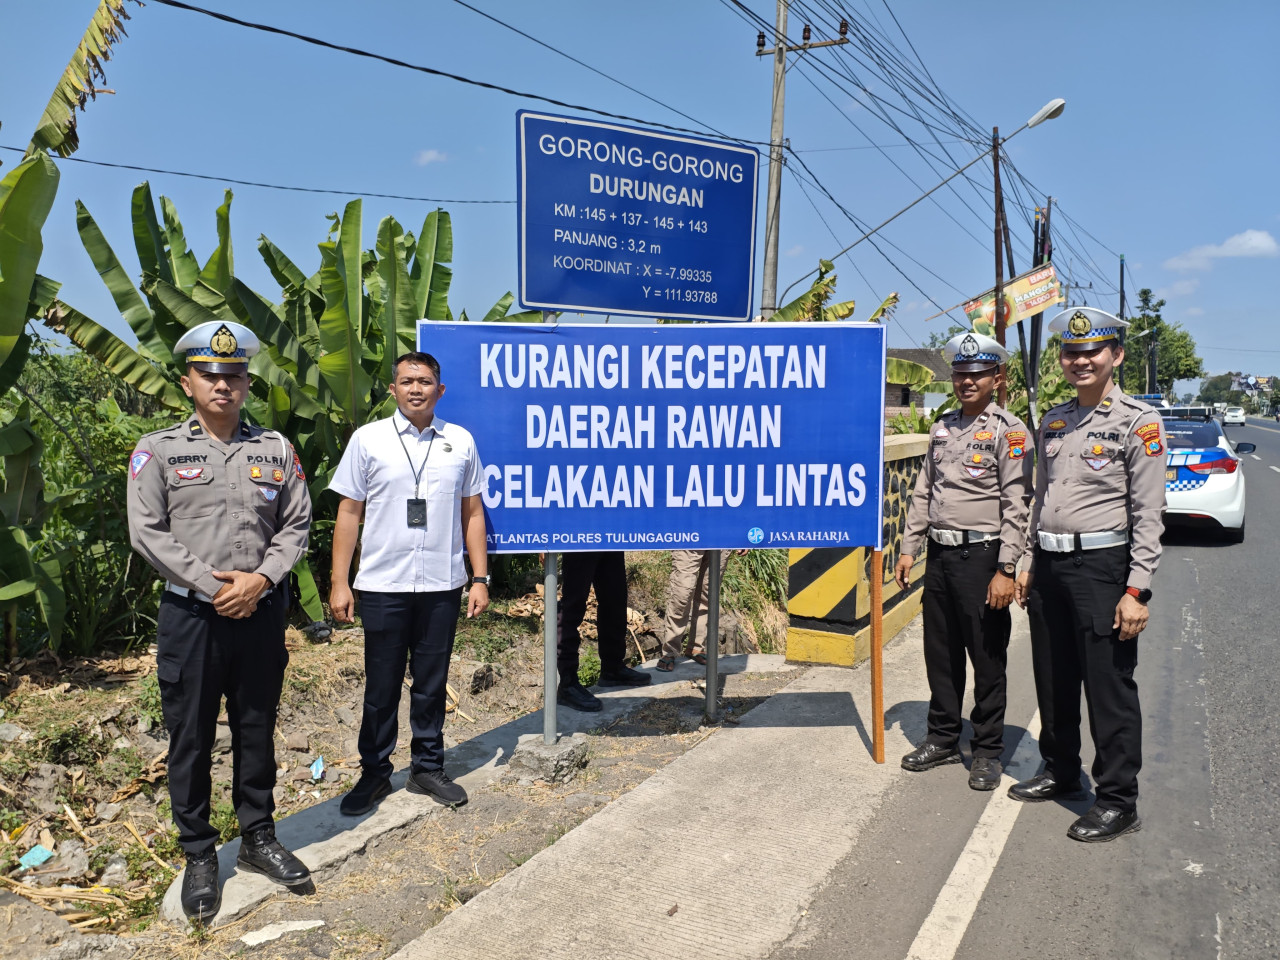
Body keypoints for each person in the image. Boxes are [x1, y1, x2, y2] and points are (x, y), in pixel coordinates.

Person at [127, 321, 313, 921]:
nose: (223, 386)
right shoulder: (157, 450)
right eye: (210, 375)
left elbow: (296, 524)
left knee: (257, 726)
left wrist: (259, 581)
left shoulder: (276, 450)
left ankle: (258, 838)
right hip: (191, 615)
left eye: (233, 376)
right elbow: (147, 531)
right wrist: (215, 587)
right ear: (188, 382)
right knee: (193, 734)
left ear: (247, 383)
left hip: (260, 610)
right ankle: (200, 853)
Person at [1010, 307, 1165, 842]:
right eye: (1071, 352)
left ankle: (1118, 800)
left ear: (1115, 356)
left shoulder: (1137, 422)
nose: (1079, 360)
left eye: (1091, 351)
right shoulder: (1053, 421)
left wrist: (1136, 589)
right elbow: (1039, 501)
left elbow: (1148, 514)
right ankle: (1060, 770)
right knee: (1053, 679)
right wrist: (1028, 561)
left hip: (1103, 569)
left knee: (1108, 687)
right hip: (1050, 566)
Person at [329, 351, 489, 817]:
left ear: (440, 390)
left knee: (432, 682)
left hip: (442, 583)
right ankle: (375, 774)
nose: (415, 388)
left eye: (424, 381)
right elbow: (349, 513)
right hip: (383, 584)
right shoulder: (368, 440)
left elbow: (472, 512)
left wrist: (479, 578)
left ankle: (427, 767)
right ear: (393, 390)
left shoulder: (460, 442)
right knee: (380, 686)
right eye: (406, 381)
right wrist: (341, 582)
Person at [894, 332, 1033, 790]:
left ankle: (988, 750)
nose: (967, 381)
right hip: (941, 557)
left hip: (983, 558)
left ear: (997, 377)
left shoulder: (1009, 432)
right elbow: (923, 492)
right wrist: (909, 547)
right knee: (941, 653)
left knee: (987, 658)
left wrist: (1006, 569)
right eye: (960, 373)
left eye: (977, 374)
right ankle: (943, 737)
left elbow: (1018, 506)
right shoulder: (942, 426)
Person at [553, 551, 652, 712]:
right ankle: (567, 684)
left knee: (615, 600)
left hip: (608, 535)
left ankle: (612, 669)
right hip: (577, 536)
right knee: (572, 605)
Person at [657, 549, 744, 672]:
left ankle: (696, 647)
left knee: (708, 593)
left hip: (721, 538)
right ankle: (669, 651)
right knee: (682, 594)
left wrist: (743, 536)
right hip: (689, 535)